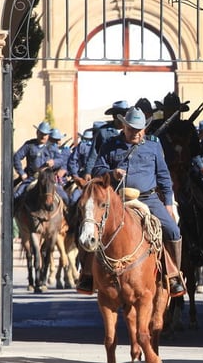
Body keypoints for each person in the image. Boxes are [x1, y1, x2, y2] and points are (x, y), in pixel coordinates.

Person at [78, 106, 187, 297]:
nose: (136, 133)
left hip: (148, 197)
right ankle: (87, 274)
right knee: (91, 226)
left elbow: (163, 176)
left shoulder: (153, 145)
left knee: (173, 230)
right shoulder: (110, 145)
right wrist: (111, 173)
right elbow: (97, 171)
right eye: (132, 129)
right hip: (116, 199)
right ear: (124, 127)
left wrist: (169, 203)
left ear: (145, 128)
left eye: (140, 129)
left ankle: (173, 275)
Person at [84, 100, 130, 178]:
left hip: (126, 172)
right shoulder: (103, 132)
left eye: (125, 114)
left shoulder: (131, 131)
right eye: (121, 114)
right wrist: (88, 171)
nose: (124, 117)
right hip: (107, 172)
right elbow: (94, 152)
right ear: (115, 116)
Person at [13, 121, 55, 205]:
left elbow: (62, 159)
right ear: (37, 133)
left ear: (48, 135)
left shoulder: (52, 147)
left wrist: (55, 162)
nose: (43, 136)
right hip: (31, 178)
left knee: (65, 197)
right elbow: (16, 157)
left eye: (45, 134)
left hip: (48, 180)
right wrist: (22, 173)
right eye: (41, 133)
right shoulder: (29, 145)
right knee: (16, 196)